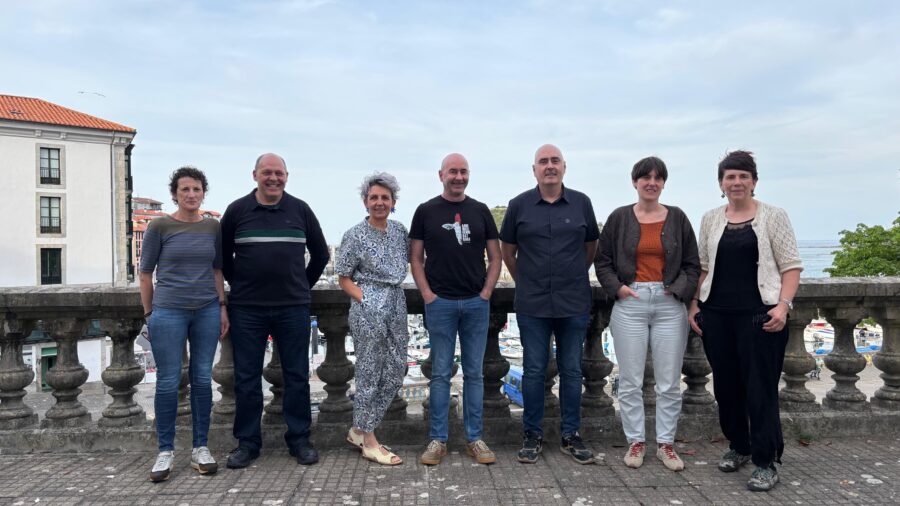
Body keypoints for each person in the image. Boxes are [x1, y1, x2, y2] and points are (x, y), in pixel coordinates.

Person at [688, 150, 802, 492]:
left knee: (760, 389)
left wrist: (783, 307)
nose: (736, 182)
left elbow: (791, 266)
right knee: (726, 387)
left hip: (760, 316)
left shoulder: (774, 216)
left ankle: (766, 460)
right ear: (721, 184)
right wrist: (694, 305)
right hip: (717, 315)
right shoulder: (711, 218)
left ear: (753, 181)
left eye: (743, 176)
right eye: (730, 177)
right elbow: (703, 266)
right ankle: (739, 445)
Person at [220, 153, 329, 468]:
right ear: (255, 174)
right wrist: (240, 284)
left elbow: (320, 255)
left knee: (297, 376)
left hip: (292, 307)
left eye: (279, 173)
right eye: (267, 172)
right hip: (247, 309)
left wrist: (301, 286)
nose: (273, 178)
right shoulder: (237, 211)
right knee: (246, 378)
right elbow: (222, 257)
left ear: (287, 176)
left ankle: (299, 440)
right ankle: (247, 443)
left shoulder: (300, 210)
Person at [594, 156, 700, 472]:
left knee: (668, 382)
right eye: (645, 177)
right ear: (635, 182)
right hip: (631, 303)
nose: (651, 182)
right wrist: (619, 289)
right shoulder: (619, 218)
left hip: (669, 305)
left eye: (657, 178)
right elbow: (602, 261)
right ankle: (636, 441)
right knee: (630, 381)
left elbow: (692, 264)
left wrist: (677, 290)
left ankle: (666, 444)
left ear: (663, 183)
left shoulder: (677, 218)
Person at [499, 144, 600, 465]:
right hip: (533, 303)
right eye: (543, 162)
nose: (549, 166)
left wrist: (573, 274)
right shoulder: (518, 205)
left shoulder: (582, 203)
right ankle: (532, 435)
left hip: (574, 301)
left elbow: (591, 247)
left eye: (555, 161)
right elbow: (507, 251)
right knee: (533, 371)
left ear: (564, 167)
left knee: (572, 370)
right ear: (535, 170)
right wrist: (526, 279)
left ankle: (571, 435)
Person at [410, 153, 502, 466]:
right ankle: (438, 440)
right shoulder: (426, 211)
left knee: (475, 374)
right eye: (453, 171)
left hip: (476, 302)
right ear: (441, 175)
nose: (458, 177)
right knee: (440, 374)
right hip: (441, 303)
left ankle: (475, 439)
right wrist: (427, 294)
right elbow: (415, 258)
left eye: (463, 171)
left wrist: (486, 292)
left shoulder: (481, 210)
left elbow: (495, 257)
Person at [139, 166, 228, 482]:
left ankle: (200, 447)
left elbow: (217, 270)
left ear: (204, 193)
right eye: (185, 189)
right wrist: (149, 314)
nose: (191, 194)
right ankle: (165, 450)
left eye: (196, 189)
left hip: (206, 310)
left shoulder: (212, 227)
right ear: (175, 194)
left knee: (202, 379)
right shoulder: (160, 226)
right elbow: (145, 273)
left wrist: (222, 307)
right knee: (168, 381)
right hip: (168, 312)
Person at [336, 172, 410, 466]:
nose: (379, 202)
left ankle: (359, 428)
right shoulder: (354, 235)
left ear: (393, 202)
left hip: (396, 302)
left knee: (396, 369)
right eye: (374, 197)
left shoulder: (400, 231)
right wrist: (366, 299)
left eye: (385, 198)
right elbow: (343, 277)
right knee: (369, 372)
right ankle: (369, 440)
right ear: (365, 202)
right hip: (368, 307)